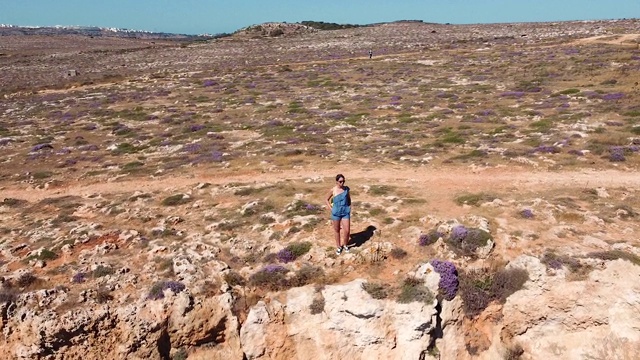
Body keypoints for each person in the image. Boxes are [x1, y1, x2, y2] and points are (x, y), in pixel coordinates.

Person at [326, 174, 351, 255]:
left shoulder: (346, 189)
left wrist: (349, 207)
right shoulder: (333, 190)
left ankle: (346, 245)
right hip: (336, 213)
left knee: (347, 231)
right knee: (337, 230)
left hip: (345, 212)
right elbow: (326, 199)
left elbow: (349, 199)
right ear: (337, 182)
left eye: (343, 181)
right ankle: (339, 246)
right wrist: (331, 209)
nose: (342, 183)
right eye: (340, 181)